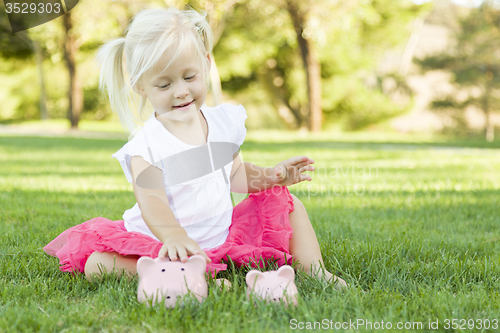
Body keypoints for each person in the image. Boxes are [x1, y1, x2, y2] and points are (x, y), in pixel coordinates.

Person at [43, 7, 347, 289]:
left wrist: (274, 175)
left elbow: (237, 174)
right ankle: (187, 276)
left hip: (221, 235)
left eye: (190, 77)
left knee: (287, 203)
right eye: (164, 85)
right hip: (162, 238)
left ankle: (314, 270)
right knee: (98, 263)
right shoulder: (147, 145)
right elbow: (152, 201)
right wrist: (174, 237)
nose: (181, 91)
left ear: (206, 63)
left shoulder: (223, 123)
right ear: (140, 86)